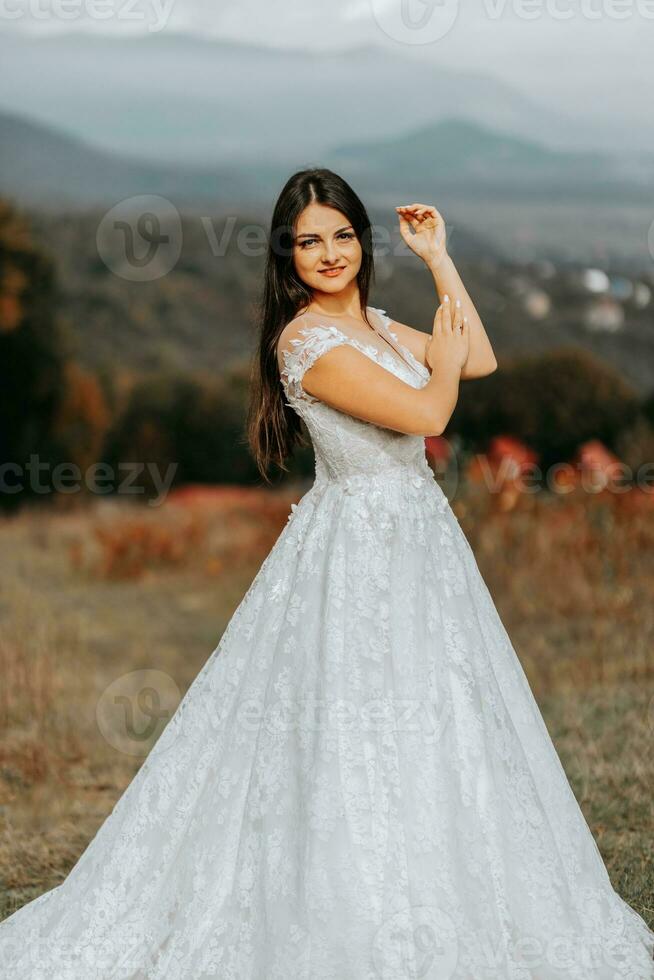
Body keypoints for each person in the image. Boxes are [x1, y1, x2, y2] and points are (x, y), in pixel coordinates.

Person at [0, 168, 652, 980]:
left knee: (437, 712)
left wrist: (440, 259)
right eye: (310, 240)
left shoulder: (375, 320)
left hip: (421, 546)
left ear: (361, 241)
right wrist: (438, 366)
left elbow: (476, 357)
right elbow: (430, 414)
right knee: (351, 723)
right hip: (355, 553)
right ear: (287, 256)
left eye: (342, 234)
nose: (329, 252)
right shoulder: (303, 342)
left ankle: (439, 884)